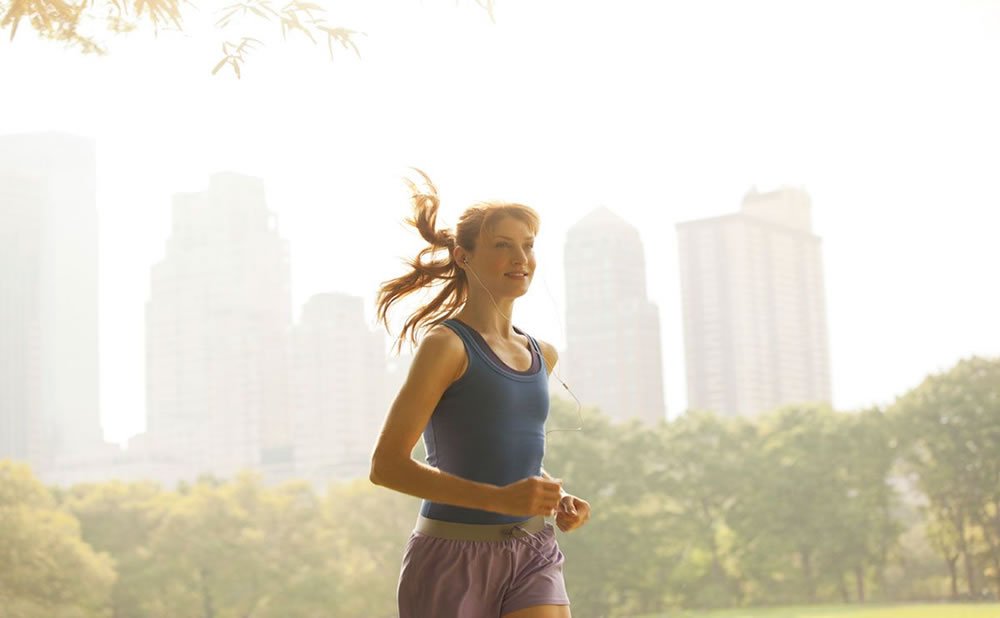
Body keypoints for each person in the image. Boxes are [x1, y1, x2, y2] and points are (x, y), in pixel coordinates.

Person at [370, 170, 591, 618]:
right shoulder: (446, 345)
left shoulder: (541, 354)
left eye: (527, 244)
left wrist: (550, 495)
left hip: (532, 550)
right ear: (464, 256)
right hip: (451, 558)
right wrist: (498, 499)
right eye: (502, 245)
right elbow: (386, 466)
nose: (520, 256)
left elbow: (500, 448)